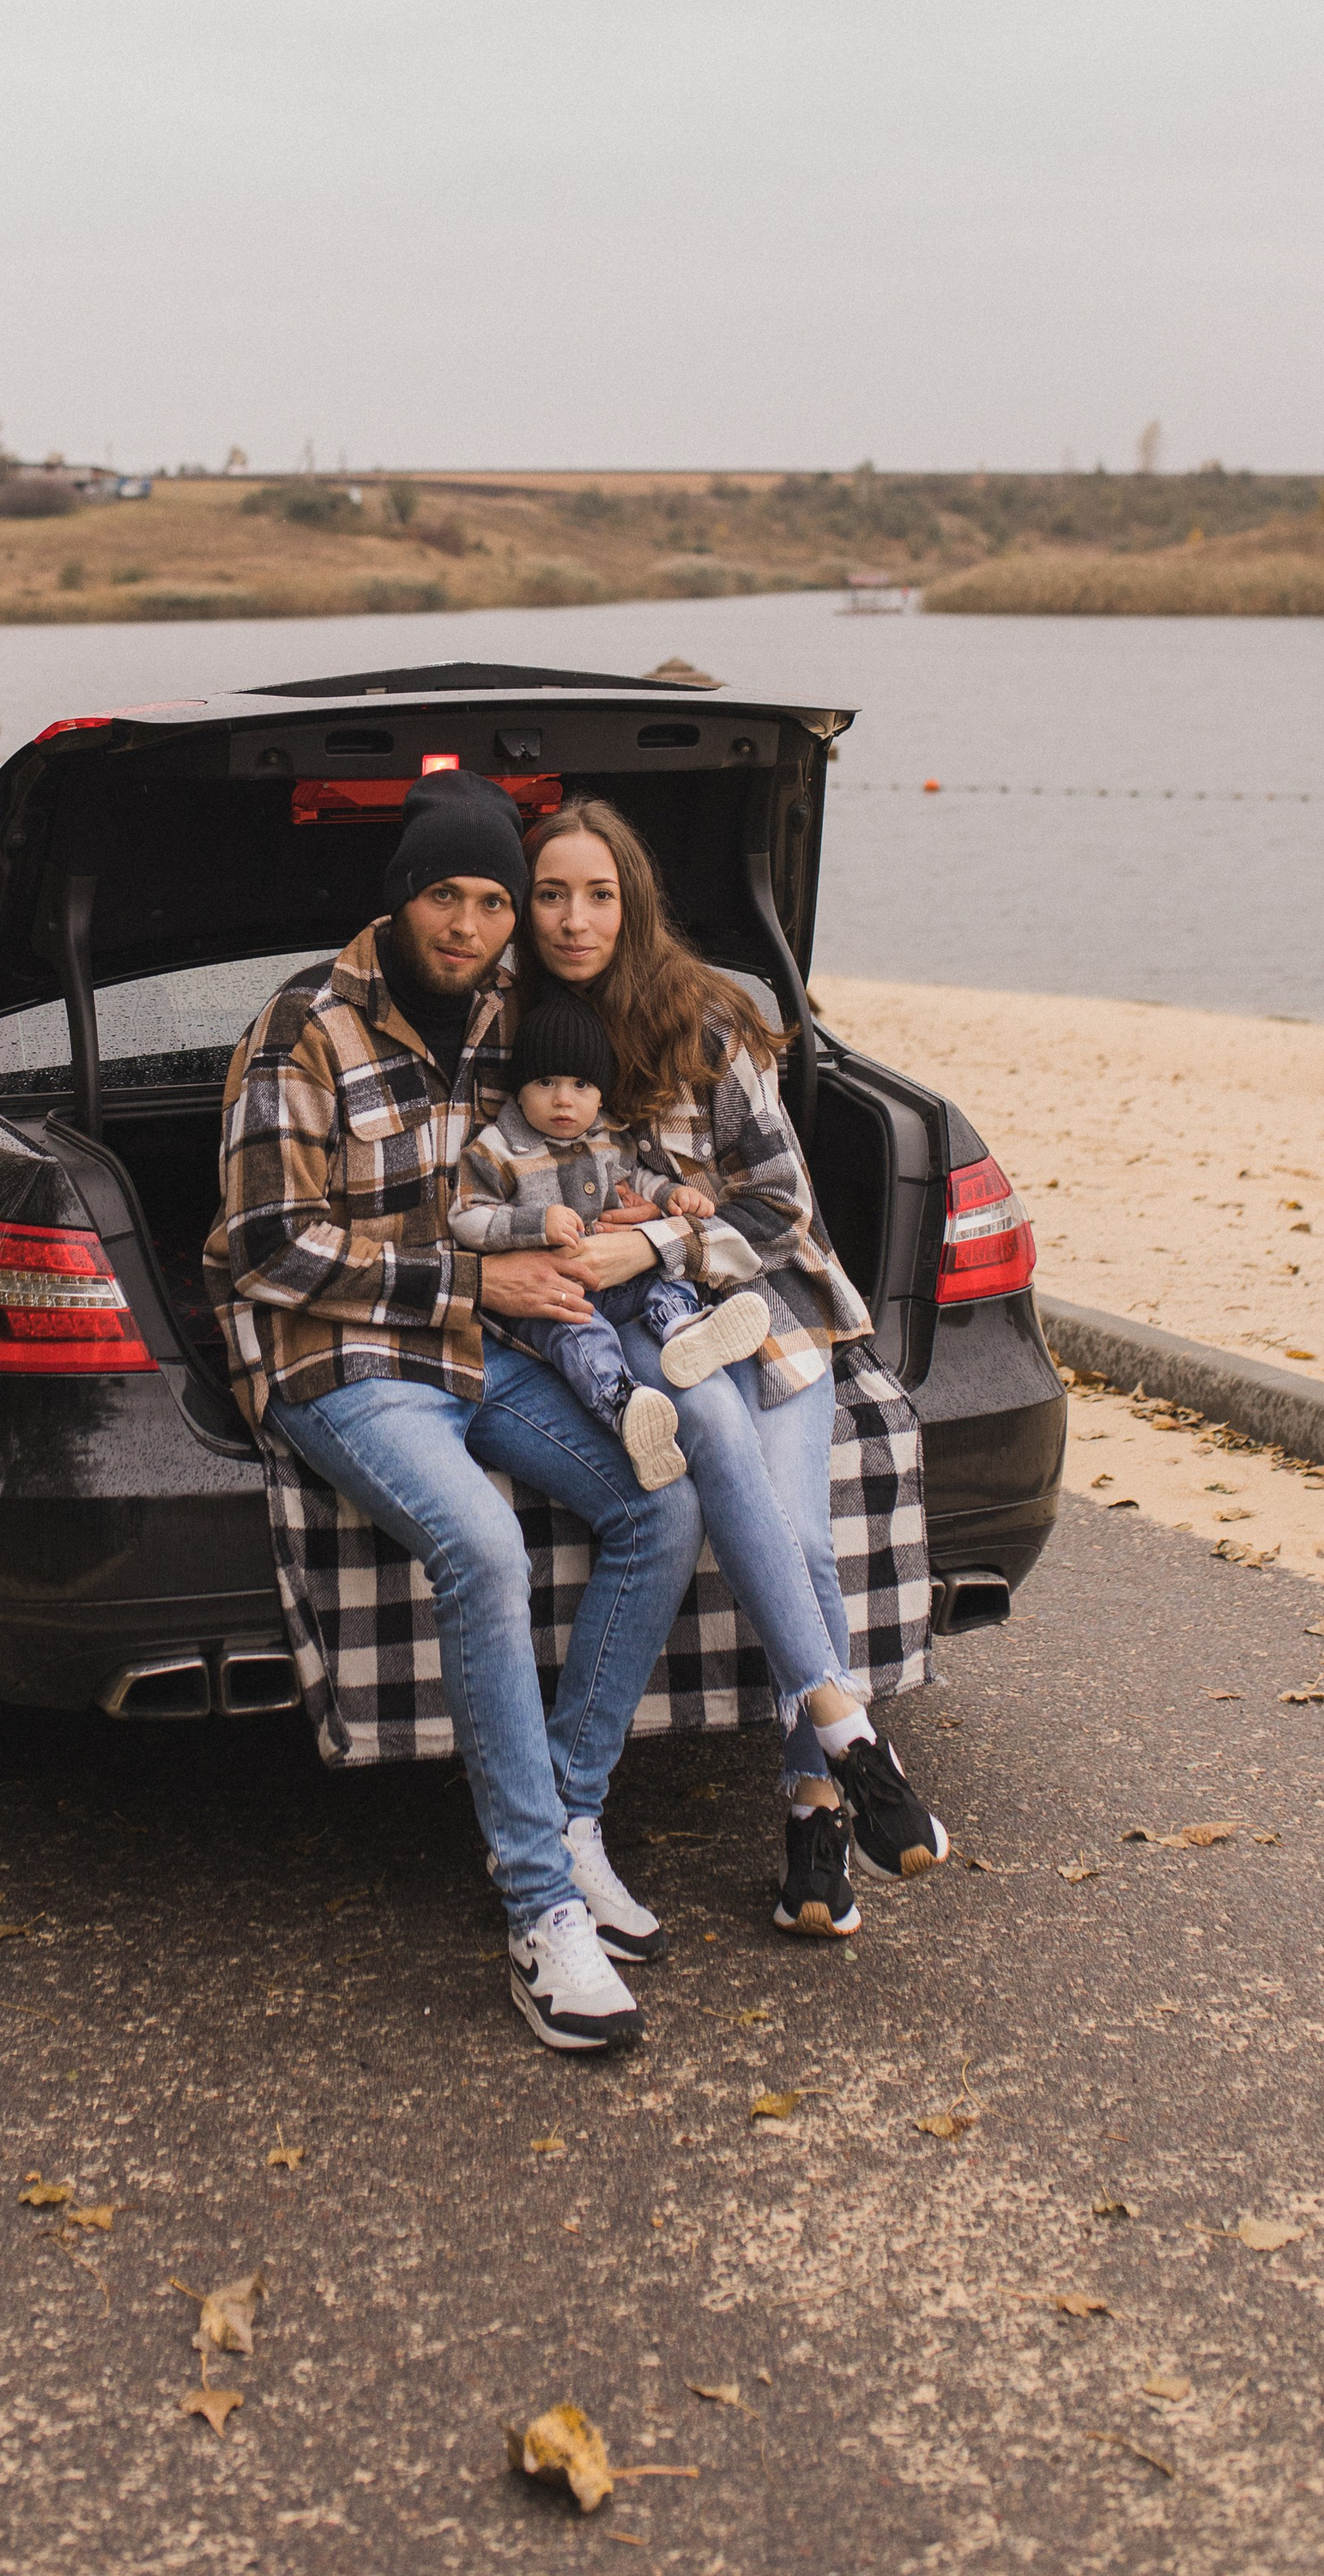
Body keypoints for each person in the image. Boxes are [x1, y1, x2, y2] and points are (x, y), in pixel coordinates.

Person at [205, 771, 708, 2053]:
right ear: (402, 898)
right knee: (480, 1544)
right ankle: (542, 1919)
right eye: (449, 894)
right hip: (337, 1357)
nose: (473, 923)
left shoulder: (508, 1019)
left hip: (476, 1348)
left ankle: (572, 1820)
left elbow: (608, 1097)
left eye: (495, 900)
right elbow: (267, 1244)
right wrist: (472, 1279)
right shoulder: (301, 1029)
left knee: (664, 1502)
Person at [518, 797, 949, 1939]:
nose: (574, 918)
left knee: (803, 1535)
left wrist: (652, 1238)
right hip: (653, 1326)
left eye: (598, 893)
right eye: (551, 894)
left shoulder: (706, 1019)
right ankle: (847, 1740)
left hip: (767, 1308)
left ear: (634, 899)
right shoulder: (525, 1037)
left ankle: (816, 1805)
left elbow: (781, 1206)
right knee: (723, 1446)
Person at [448, 991, 771, 1489]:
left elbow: (635, 1179)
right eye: (545, 1082)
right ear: (519, 1090)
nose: (563, 1099)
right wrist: (536, 1223)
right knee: (579, 1333)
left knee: (665, 1271)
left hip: (616, 1279)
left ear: (601, 1095)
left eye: (581, 1084)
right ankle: (625, 1406)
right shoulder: (497, 1150)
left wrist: (673, 1195)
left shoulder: (608, 1136)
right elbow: (466, 1217)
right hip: (550, 1296)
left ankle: (686, 1331)